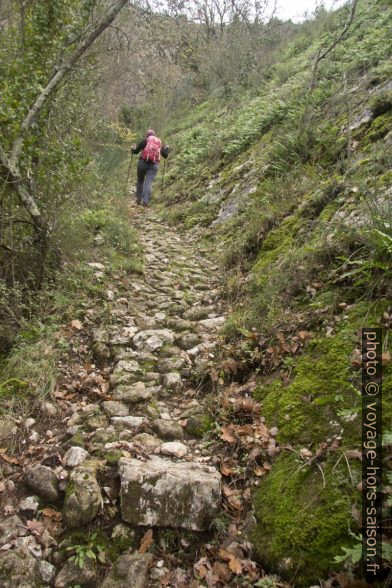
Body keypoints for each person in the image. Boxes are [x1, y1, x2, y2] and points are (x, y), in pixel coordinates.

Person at [131, 129, 170, 207]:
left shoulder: (144, 141)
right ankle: (145, 201)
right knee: (148, 183)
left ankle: (139, 199)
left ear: (147, 135)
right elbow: (165, 155)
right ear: (154, 135)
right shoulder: (159, 143)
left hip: (142, 163)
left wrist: (132, 148)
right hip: (154, 165)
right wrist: (166, 148)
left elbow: (135, 152)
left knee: (140, 181)